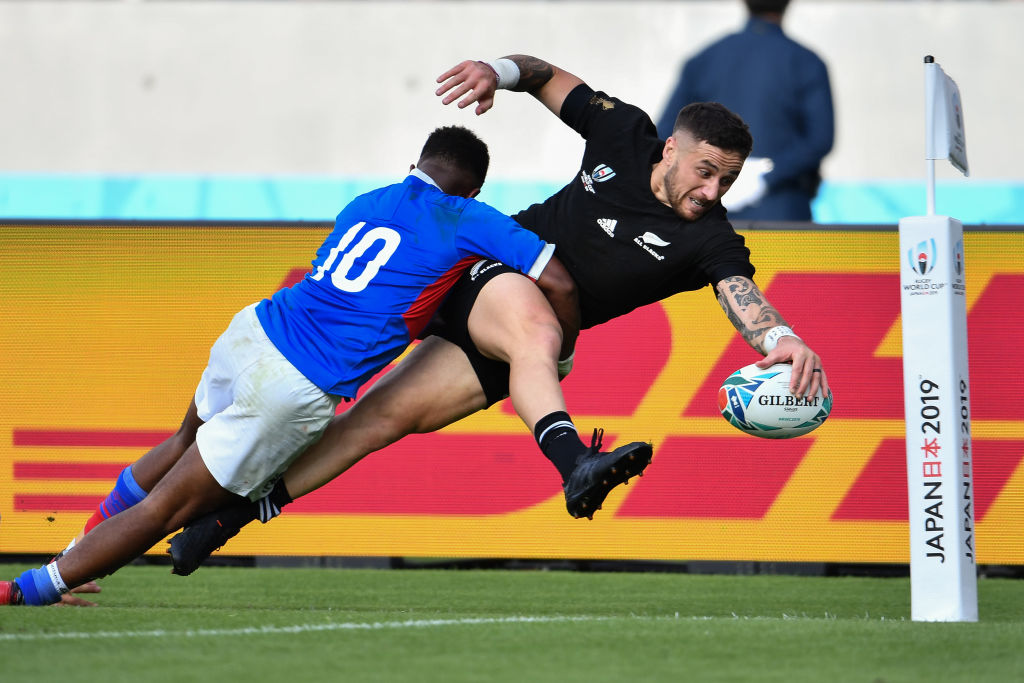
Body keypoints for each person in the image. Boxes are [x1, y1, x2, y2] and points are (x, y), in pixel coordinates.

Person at [25, 52, 830, 590]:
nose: (712, 192)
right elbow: (543, 75)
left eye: (726, 181)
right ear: (671, 150)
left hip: (518, 337)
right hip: (496, 274)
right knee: (542, 331)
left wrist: (781, 339)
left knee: (377, 422)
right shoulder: (624, 132)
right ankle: (573, 464)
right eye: (705, 171)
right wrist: (495, 71)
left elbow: (743, 297)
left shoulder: (709, 238)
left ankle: (230, 516)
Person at [1, 125, 652, 606]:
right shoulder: (467, 217)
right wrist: (561, 350)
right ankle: (31, 589)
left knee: (179, 444)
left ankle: (77, 550)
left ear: (414, 166)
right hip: (294, 383)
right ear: (475, 189)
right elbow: (557, 280)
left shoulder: (366, 202)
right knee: (166, 511)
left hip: (252, 331)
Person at [656, 0, 834, 221]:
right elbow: (819, 139)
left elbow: (667, 133)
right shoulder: (807, 62)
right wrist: (767, 175)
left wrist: (705, 173)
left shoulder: (704, 59)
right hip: (781, 214)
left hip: (705, 214)